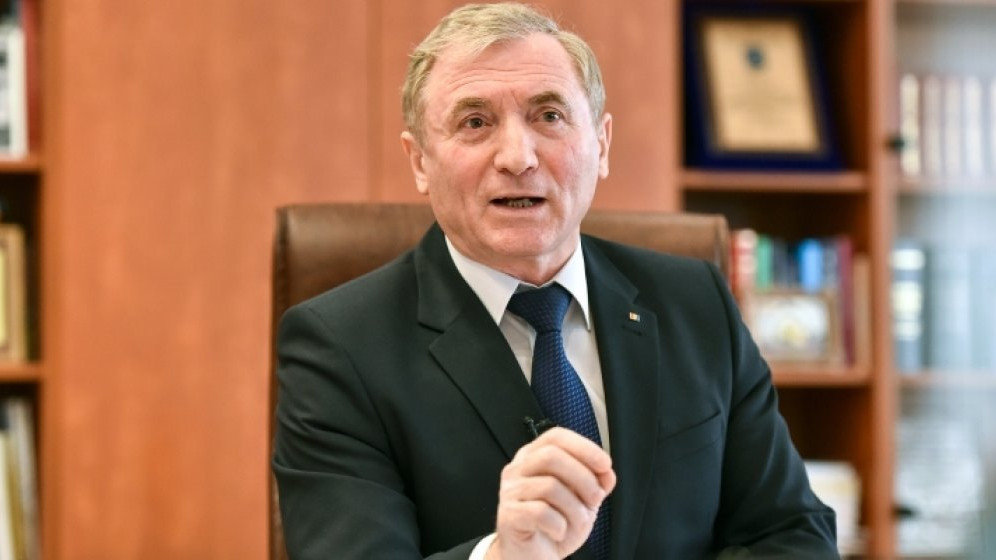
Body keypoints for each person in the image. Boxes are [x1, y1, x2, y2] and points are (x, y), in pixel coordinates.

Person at [272, 3, 838, 559]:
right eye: (475, 123)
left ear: (602, 145)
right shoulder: (340, 347)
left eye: (548, 116)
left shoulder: (696, 302)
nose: (518, 158)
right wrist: (504, 556)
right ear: (419, 161)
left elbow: (792, 535)